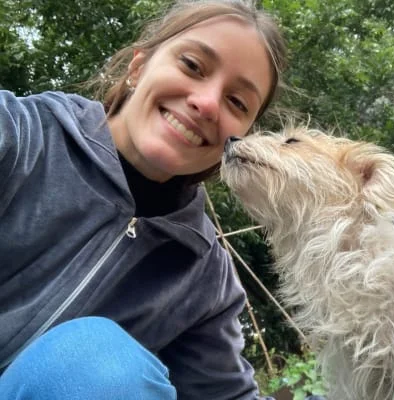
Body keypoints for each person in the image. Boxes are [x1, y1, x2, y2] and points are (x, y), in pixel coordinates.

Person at [0, 1, 287, 399]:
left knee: (95, 365)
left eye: (237, 103)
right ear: (138, 67)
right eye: (192, 65)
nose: (206, 103)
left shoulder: (203, 276)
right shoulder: (21, 136)